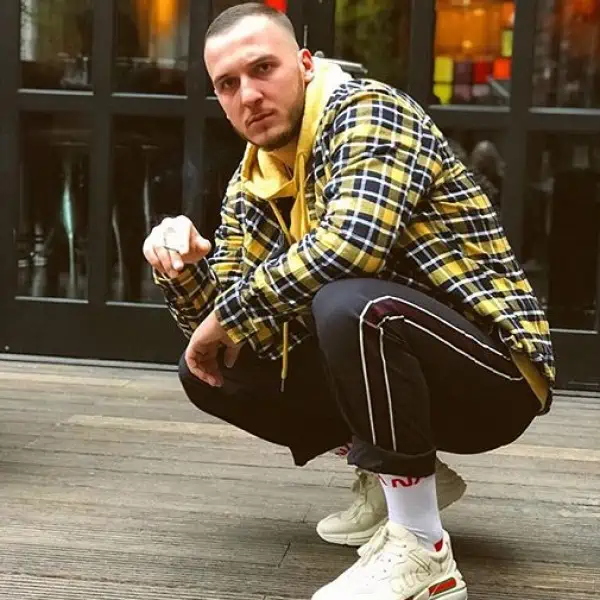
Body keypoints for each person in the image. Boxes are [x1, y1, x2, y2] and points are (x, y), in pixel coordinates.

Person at [143, 4, 555, 599]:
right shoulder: (254, 179)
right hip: (398, 369)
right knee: (208, 372)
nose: (249, 95)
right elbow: (229, 338)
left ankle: (424, 550)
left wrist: (227, 316)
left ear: (305, 65)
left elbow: (350, 247)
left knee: (351, 303)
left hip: (494, 375)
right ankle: (398, 477)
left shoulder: (370, 113)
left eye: (263, 69)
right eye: (228, 84)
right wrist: (183, 269)